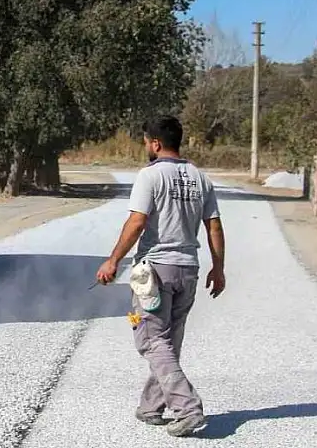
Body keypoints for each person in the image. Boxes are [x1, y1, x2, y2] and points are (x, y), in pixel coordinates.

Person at [95, 115, 226, 438]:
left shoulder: (150, 176)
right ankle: (151, 407)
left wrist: (113, 260)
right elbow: (214, 226)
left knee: (152, 340)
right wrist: (219, 268)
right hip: (188, 270)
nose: (146, 147)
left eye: (145, 142)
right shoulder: (201, 178)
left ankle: (188, 408)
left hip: (155, 271)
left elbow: (137, 222)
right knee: (168, 341)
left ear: (155, 143)